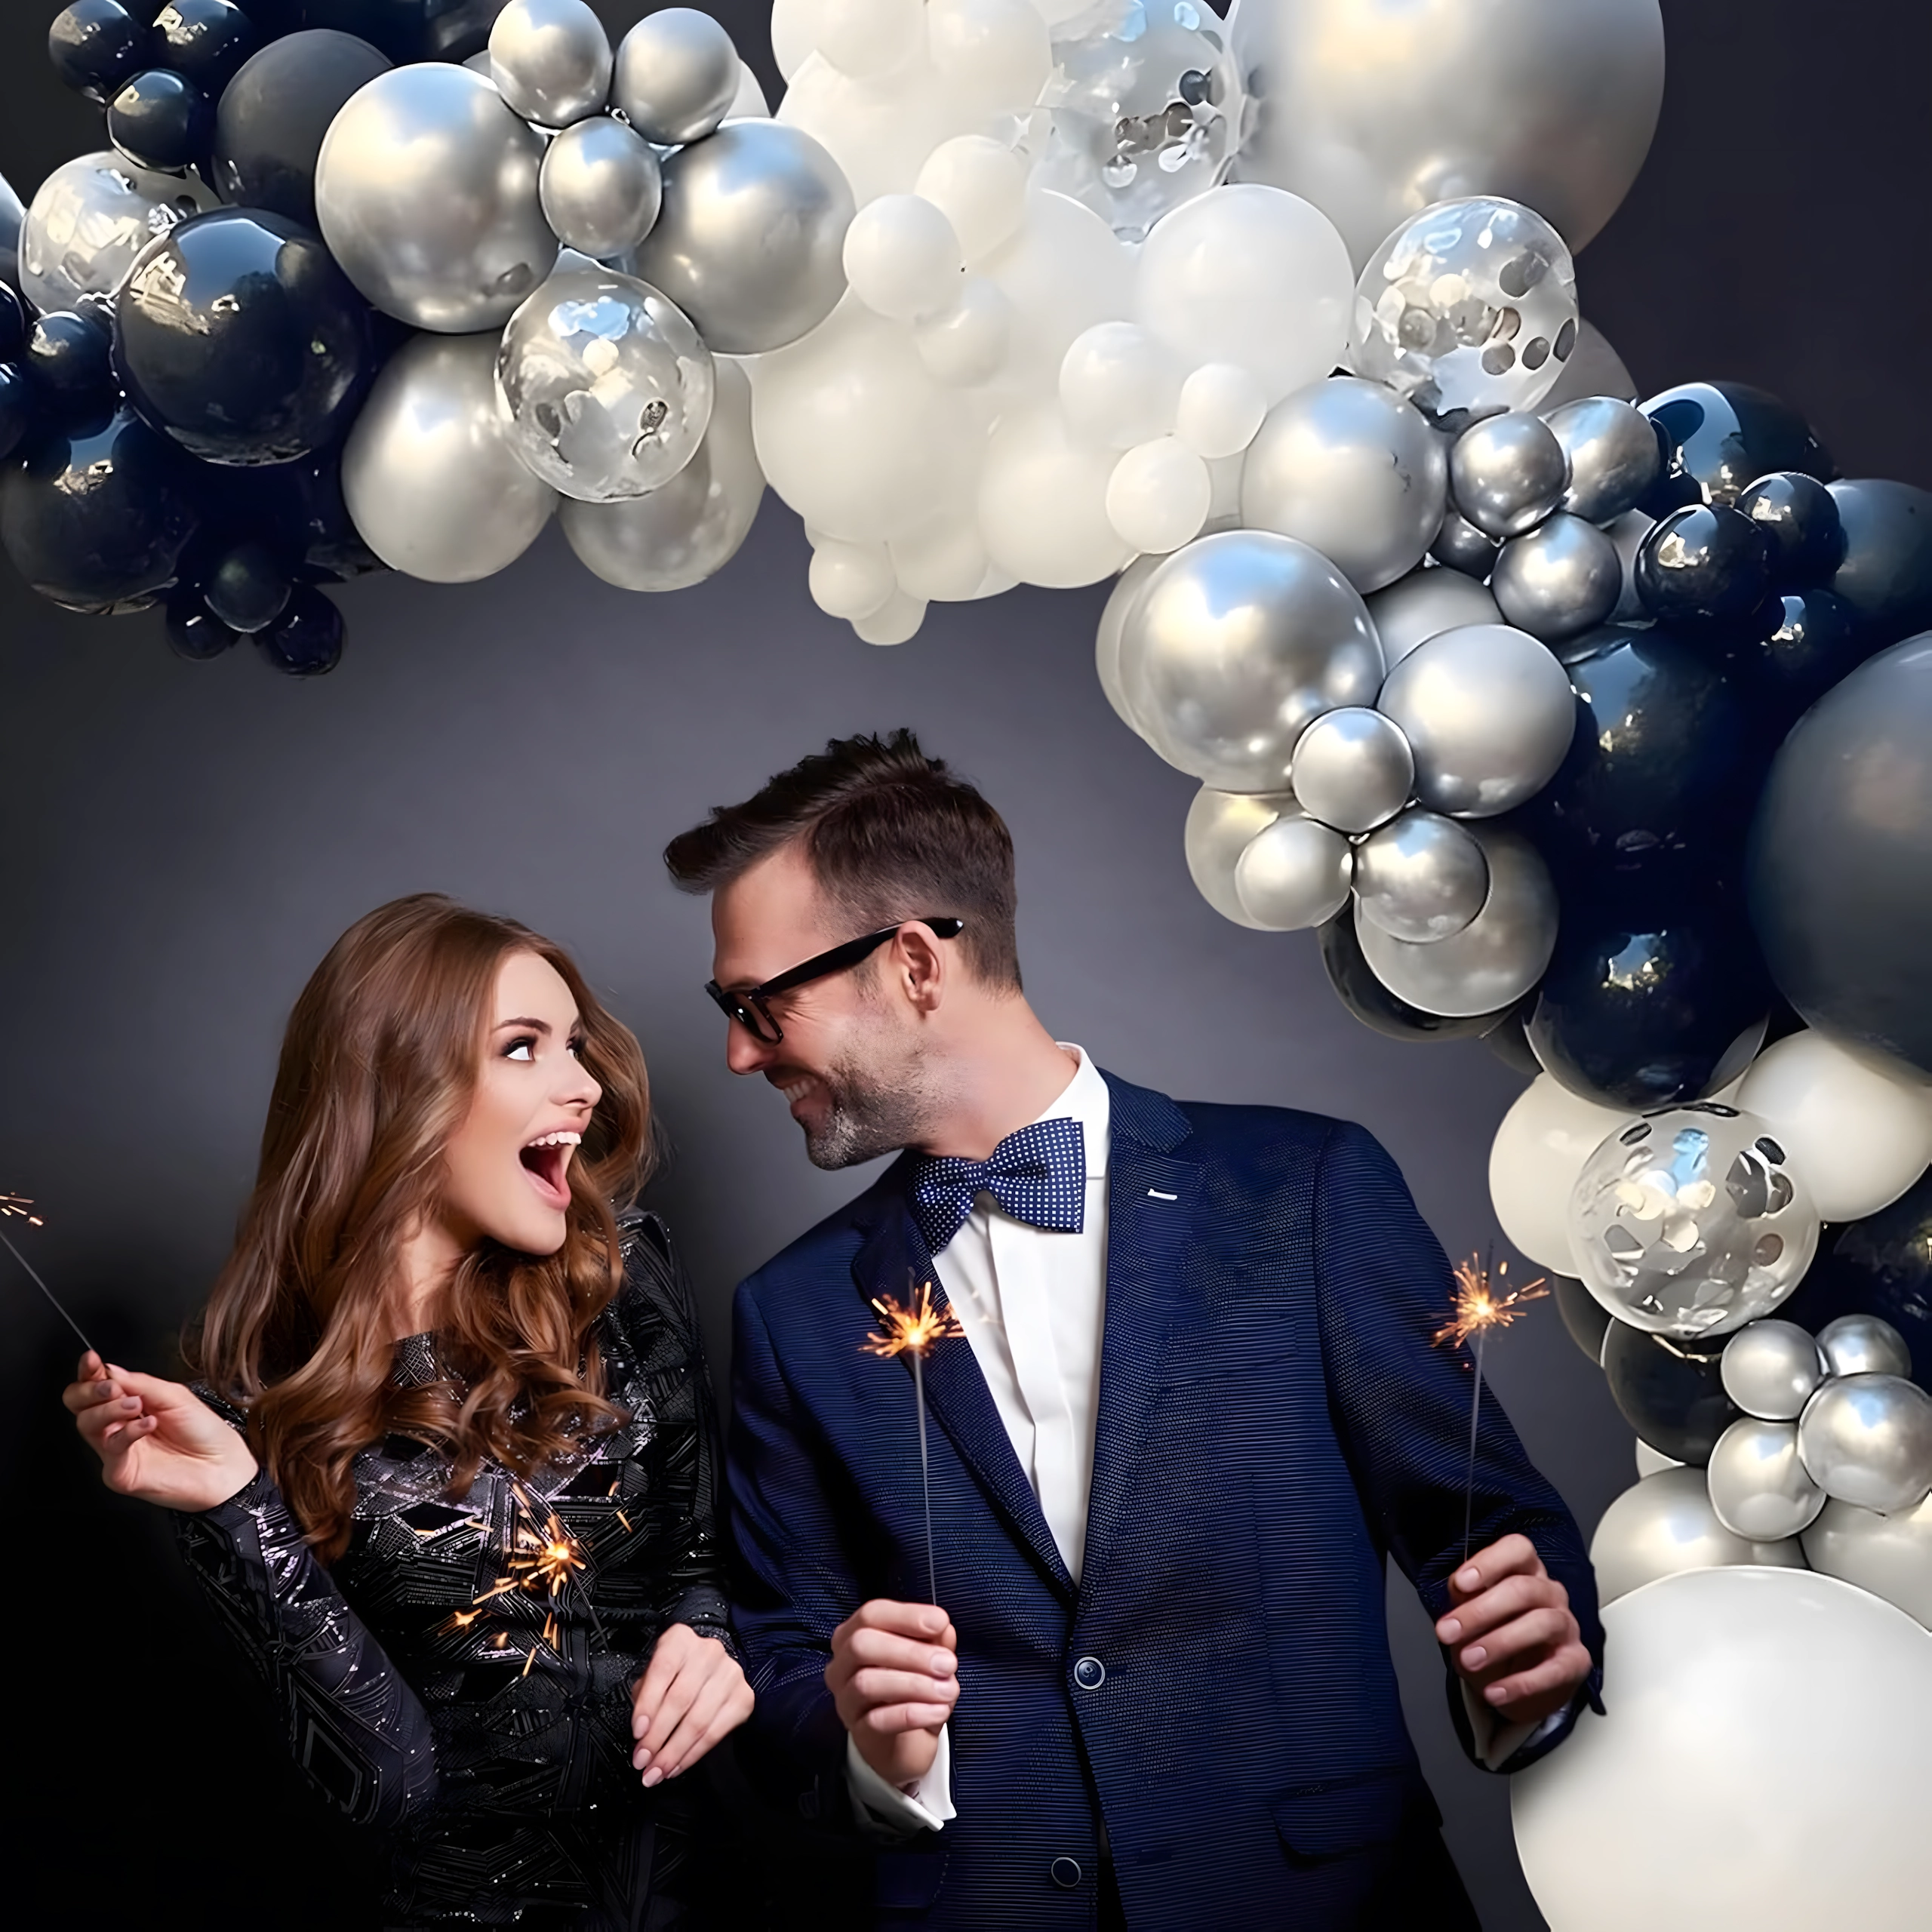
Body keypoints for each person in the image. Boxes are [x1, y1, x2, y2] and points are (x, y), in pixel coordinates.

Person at [663, 732, 1604, 1930]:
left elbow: (1489, 1526)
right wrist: (869, 1748)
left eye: (761, 1004)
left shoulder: (1307, 1189)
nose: (740, 1049)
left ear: (913, 964)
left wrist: (1531, 1655)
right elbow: (785, 1653)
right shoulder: (790, 1312)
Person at [63, 894, 752, 1930]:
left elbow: (701, 1566)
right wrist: (237, 1509)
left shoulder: (624, 1279)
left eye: (575, 1045)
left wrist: (709, 1638)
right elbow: (392, 1782)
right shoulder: (244, 1425)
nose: (584, 1085)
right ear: (397, 1089)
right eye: (523, 1047)